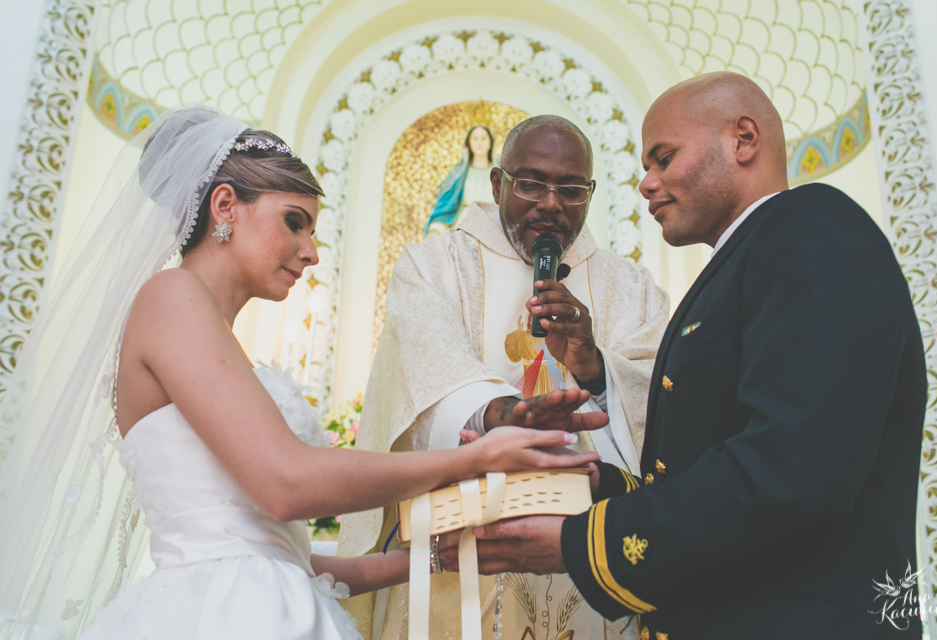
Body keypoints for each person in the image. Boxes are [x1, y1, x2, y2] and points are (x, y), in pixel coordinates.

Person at [0, 106, 599, 640]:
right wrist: (479, 458)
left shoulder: (212, 334)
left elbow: (295, 562)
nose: (311, 251)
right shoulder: (169, 297)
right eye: (294, 222)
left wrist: (448, 553)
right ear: (225, 206)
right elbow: (286, 483)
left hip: (271, 602)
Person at [455, 72, 927, 639]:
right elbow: (703, 458)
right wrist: (595, 480)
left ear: (744, 139)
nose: (646, 183)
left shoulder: (812, 227)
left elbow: (793, 470)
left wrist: (581, 544)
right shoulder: (743, 260)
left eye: (664, 157)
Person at [339, 115, 669, 640]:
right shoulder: (434, 266)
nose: (551, 203)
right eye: (532, 183)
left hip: (583, 555)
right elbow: (423, 373)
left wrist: (596, 366)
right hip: (459, 552)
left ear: (590, 193)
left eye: (571, 188)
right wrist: (500, 414)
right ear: (498, 184)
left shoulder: (628, 287)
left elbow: (664, 403)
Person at [424, 125, 496, 236]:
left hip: (491, 227)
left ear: (490, 142)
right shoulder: (458, 174)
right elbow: (446, 206)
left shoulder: (501, 174)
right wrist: (435, 229)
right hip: (462, 227)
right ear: (469, 143)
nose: (479, 143)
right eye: (475, 139)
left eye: (483, 138)